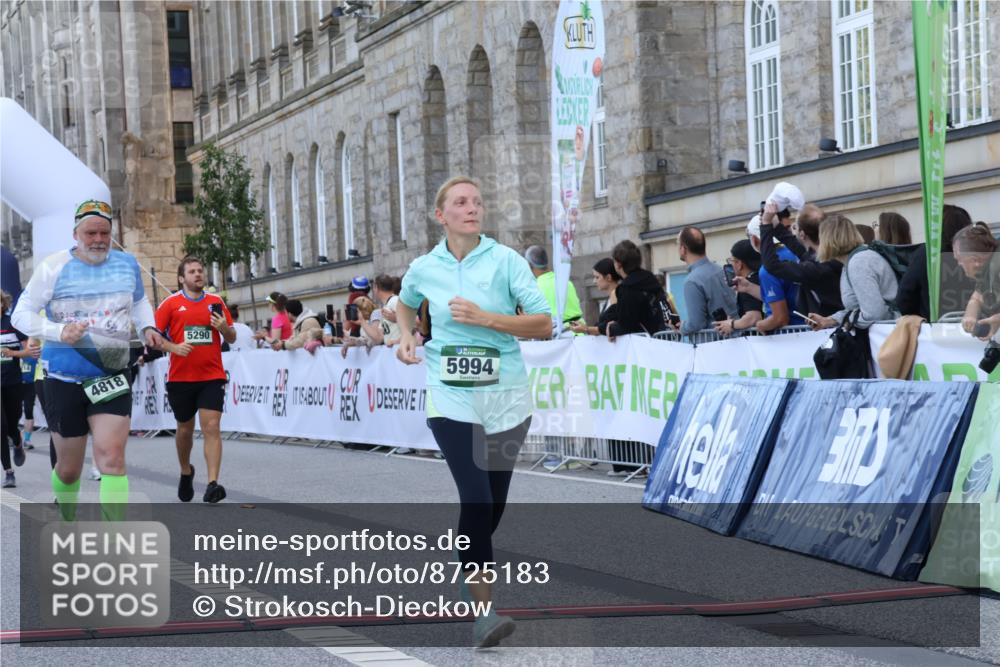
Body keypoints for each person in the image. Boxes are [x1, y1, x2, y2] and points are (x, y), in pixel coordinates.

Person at [394, 176, 551, 648]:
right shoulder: (424, 267)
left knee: (494, 503)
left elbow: (543, 323)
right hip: (450, 395)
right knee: (476, 497)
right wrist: (406, 334)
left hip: (505, 395)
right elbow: (404, 305)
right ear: (440, 215)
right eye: (461, 202)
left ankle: (470, 571)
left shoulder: (505, 261)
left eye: (478, 202)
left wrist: (488, 319)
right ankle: (484, 611)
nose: (472, 208)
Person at [11, 199, 164, 521]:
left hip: (111, 373)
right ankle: (66, 515)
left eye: (104, 233)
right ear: (75, 234)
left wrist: (148, 326)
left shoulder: (126, 264)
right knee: (68, 471)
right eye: (90, 232)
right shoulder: (53, 267)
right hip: (64, 377)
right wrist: (57, 330)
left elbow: (139, 303)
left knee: (112, 459)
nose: (98, 240)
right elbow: (20, 315)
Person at [155, 256, 236, 503]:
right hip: (181, 378)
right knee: (184, 429)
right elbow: (154, 338)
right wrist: (174, 347)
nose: (198, 274)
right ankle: (185, 471)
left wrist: (223, 327)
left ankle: (212, 484)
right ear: (182, 278)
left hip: (212, 375)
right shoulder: (170, 304)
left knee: (211, 427)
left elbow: (231, 338)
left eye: (200, 270)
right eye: (192, 272)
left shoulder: (216, 302)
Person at [808, 214, 900, 330]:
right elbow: (861, 309)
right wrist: (830, 320)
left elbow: (874, 313)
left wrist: (848, 322)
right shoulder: (855, 259)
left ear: (827, 240)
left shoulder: (858, 263)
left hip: (889, 335)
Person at [759, 202, 843, 317]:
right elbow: (801, 251)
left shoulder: (818, 268)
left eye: (795, 227)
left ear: (802, 234)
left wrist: (765, 224)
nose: (793, 230)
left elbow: (772, 266)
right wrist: (775, 225)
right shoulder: (830, 256)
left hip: (829, 328)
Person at [897, 204, 975, 321]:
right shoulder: (979, 252)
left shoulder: (925, 254)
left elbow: (905, 298)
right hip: (979, 325)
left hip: (936, 328)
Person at [605, 240, 679, 337]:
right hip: (664, 337)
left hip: (645, 344)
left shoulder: (627, 288)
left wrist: (611, 329)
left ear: (618, 264)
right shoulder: (651, 279)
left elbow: (626, 325)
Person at [747, 213, 803, 332]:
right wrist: (748, 287)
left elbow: (780, 319)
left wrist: (760, 325)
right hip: (813, 329)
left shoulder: (767, 270)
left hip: (792, 336)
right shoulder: (797, 252)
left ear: (754, 239)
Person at [2, 291, 36, 487]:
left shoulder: (12, 324)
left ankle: (17, 442)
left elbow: (29, 351)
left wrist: (12, 352)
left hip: (13, 382)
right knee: (1, 427)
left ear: (2, 304)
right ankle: (9, 473)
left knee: (12, 425)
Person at [676, 227, 737, 335]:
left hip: (713, 346)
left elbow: (696, 324)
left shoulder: (692, 281)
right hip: (738, 339)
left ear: (683, 249)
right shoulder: (720, 269)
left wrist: (682, 327)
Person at [953, 225, 1000, 340]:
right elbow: (976, 297)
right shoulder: (987, 268)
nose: (959, 264)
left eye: (959, 259)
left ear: (975, 260)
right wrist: (970, 316)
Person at [524, 245, 583, 335]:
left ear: (528, 265)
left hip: (561, 340)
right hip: (581, 333)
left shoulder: (534, 287)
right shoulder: (565, 281)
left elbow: (530, 321)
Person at [714, 240, 763, 336]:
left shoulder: (747, 285)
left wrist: (731, 324)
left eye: (731, 261)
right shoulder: (762, 277)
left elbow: (753, 317)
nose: (730, 264)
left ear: (739, 264)